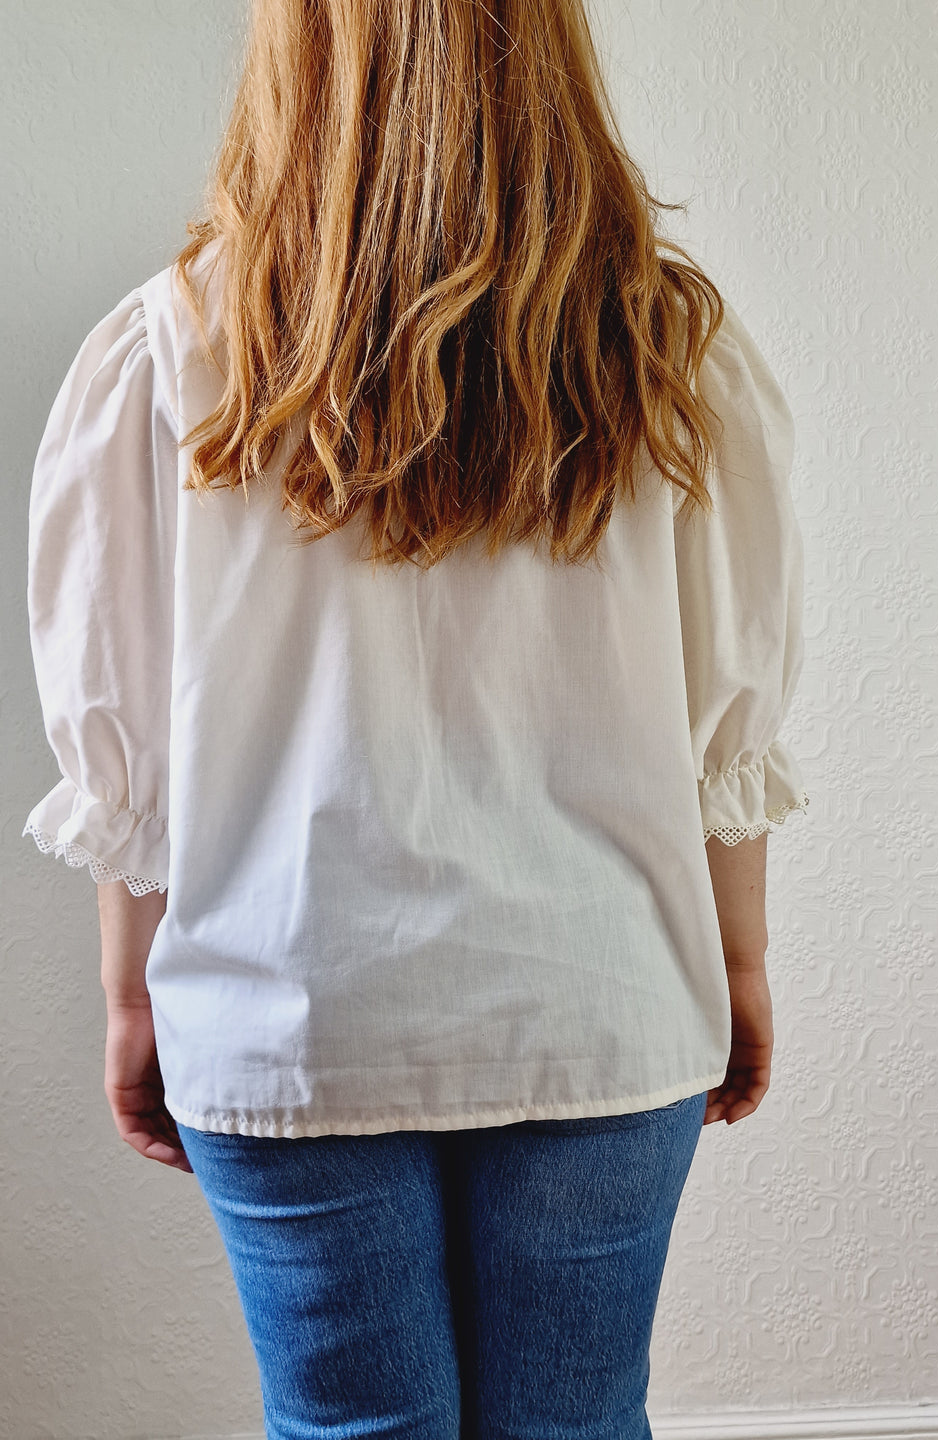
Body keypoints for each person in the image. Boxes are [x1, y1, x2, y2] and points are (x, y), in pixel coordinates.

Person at [21, 0, 811, 1435]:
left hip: (290, 1008)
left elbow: (125, 740)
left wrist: (132, 996)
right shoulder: (665, 342)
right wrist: (739, 956)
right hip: (601, 996)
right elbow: (723, 721)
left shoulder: (172, 350)